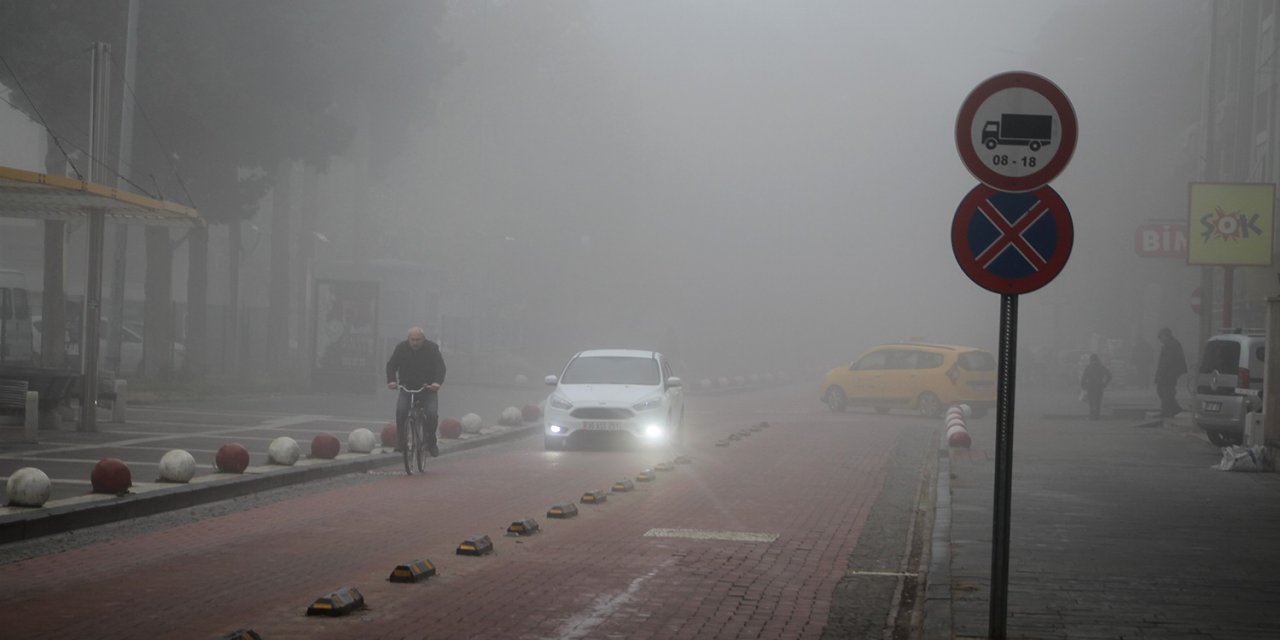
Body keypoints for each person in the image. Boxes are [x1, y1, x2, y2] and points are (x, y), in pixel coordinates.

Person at [386, 327, 446, 462]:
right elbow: (391, 365)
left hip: (428, 389)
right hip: (407, 388)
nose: (414, 343)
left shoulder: (432, 348)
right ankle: (401, 442)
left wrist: (437, 383)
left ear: (423, 339)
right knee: (401, 411)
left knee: (431, 413)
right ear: (408, 339)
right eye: (412, 340)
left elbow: (440, 367)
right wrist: (391, 380)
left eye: (418, 340)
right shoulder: (401, 348)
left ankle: (431, 442)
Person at [1154, 327, 1187, 418]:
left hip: (1169, 374)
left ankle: (1166, 412)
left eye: (1160, 337)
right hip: (1168, 373)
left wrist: (1161, 374)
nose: (1160, 340)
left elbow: (1167, 362)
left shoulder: (1171, 345)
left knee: (1165, 392)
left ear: (1165, 335)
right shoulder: (1170, 344)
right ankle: (1174, 408)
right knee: (1164, 391)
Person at [1080, 353, 1112, 420]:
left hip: (1090, 386)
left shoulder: (1088, 367)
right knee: (1098, 402)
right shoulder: (1101, 367)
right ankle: (1097, 416)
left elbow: (1084, 377)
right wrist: (1105, 384)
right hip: (1099, 386)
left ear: (1090, 360)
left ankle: (1091, 416)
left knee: (1091, 402)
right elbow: (1109, 375)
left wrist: (1084, 386)